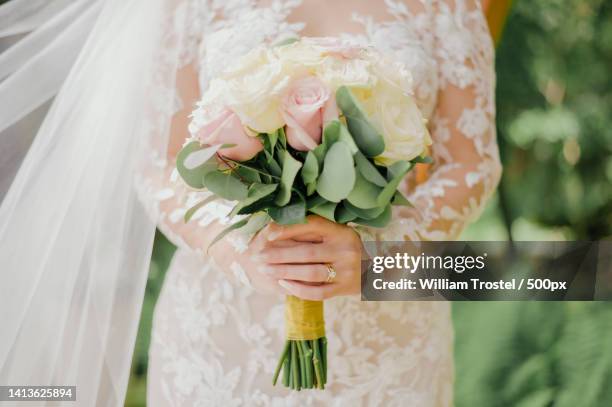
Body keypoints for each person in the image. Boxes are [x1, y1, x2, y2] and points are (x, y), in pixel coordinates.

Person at [0, 0, 500, 405]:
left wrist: (384, 252)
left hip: (390, 338)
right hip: (222, 334)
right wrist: (240, 251)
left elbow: (471, 163)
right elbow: (162, 161)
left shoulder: (450, 7)